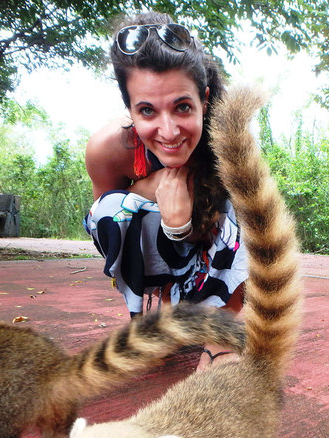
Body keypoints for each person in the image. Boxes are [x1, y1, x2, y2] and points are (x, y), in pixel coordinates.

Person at [84, 11, 247, 369]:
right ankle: (153, 315)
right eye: (147, 110)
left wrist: (183, 225)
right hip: (156, 238)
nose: (169, 131)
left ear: (204, 100)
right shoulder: (106, 149)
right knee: (110, 212)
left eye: (183, 107)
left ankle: (220, 335)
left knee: (249, 211)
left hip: (207, 233)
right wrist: (149, 187)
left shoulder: (228, 142)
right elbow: (110, 234)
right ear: (129, 108)